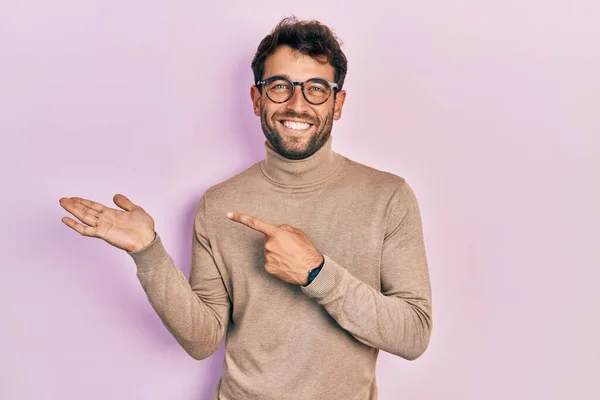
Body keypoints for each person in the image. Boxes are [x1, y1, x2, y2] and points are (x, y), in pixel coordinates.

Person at [59, 16, 432, 400]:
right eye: (280, 87)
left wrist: (316, 273)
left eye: (317, 89)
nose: (297, 104)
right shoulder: (218, 204)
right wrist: (147, 252)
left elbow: (414, 334)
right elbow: (203, 339)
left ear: (338, 103)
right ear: (257, 100)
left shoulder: (388, 196)